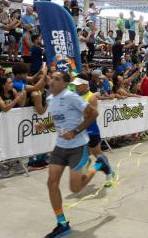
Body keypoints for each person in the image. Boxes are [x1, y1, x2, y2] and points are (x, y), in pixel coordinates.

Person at [35, 71, 110, 238]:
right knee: (51, 183)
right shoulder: (50, 99)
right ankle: (62, 223)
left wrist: (75, 131)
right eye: (52, 78)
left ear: (65, 83)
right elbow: (59, 119)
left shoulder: (72, 97)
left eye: (57, 79)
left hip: (78, 146)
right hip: (60, 146)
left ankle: (99, 165)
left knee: (75, 188)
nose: (52, 81)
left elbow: (93, 114)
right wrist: (45, 126)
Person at [71, 75, 115, 185]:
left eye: (78, 85)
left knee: (98, 155)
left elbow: (93, 114)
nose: (76, 88)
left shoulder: (91, 97)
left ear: (85, 85)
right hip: (80, 130)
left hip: (91, 130)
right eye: (75, 85)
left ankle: (109, 173)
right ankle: (87, 163)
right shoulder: (75, 96)